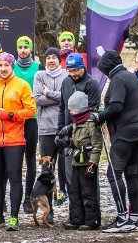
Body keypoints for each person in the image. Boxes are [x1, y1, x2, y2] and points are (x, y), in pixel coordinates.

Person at [0, 52, 36, 231]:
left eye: (7, 66)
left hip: (14, 140)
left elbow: (31, 110)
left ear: (12, 67)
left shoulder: (22, 85)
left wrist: (10, 114)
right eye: (0, 66)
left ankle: (14, 217)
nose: (3, 69)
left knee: (14, 177)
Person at [96, 50, 138, 233]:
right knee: (131, 174)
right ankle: (136, 218)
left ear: (107, 66)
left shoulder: (118, 78)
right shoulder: (131, 77)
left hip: (125, 132)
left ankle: (122, 217)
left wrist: (100, 118)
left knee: (114, 174)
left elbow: (116, 105)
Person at [58, 53, 101, 210]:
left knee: (87, 177)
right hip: (70, 136)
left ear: (83, 67)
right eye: (70, 71)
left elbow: (92, 112)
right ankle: (76, 211)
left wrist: (71, 127)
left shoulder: (92, 84)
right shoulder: (66, 83)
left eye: (76, 70)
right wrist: (60, 132)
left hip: (86, 136)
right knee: (71, 175)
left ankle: (92, 213)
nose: (73, 74)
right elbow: (62, 108)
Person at [33, 47, 68, 223]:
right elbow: (37, 99)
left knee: (66, 166)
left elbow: (67, 97)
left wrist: (48, 93)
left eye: (54, 57)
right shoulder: (39, 75)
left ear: (59, 60)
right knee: (46, 172)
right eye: (48, 58)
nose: (51, 60)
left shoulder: (66, 75)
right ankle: (49, 210)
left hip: (63, 127)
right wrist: (56, 96)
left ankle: (64, 195)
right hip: (46, 128)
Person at [60, 91, 102, 230]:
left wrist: (93, 163)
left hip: (87, 161)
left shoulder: (91, 122)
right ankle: (76, 218)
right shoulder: (76, 122)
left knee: (88, 191)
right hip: (77, 160)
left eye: (74, 109)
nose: (71, 112)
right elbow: (77, 140)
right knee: (74, 190)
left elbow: (97, 145)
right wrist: (68, 142)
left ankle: (91, 220)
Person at [13, 36, 42, 214]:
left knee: (30, 159)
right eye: (20, 47)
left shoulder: (39, 68)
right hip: (14, 120)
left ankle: (28, 199)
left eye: (26, 47)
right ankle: (13, 197)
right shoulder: (10, 67)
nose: (23, 50)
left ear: (31, 49)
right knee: (13, 161)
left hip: (32, 120)